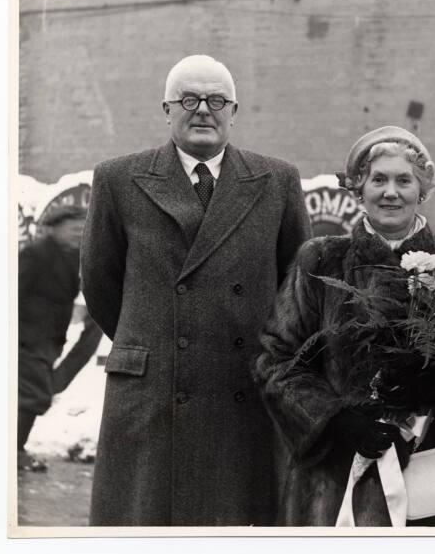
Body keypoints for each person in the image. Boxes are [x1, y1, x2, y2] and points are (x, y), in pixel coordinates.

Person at [81, 54, 311, 526]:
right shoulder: (118, 178)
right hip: (153, 392)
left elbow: (297, 287)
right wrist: (151, 337)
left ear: (234, 110)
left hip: (244, 386)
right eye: (189, 99)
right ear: (167, 109)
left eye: (216, 100)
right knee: (148, 526)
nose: (203, 109)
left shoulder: (278, 180)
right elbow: (100, 283)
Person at [254, 126, 435, 526]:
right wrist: (333, 420)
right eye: (378, 179)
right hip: (338, 475)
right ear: (358, 189)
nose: (391, 192)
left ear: (422, 190)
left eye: (404, 180)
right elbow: (277, 358)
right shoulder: (320, 260)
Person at [18, 205, 102, 472]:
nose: (78, 234)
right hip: (26, 336)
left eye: (82, 229)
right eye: (73, 228)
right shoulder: (36, 254)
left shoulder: (73, 257)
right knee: (33, 395)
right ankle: (14, 451)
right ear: (54, 228)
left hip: (49, 338)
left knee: (32, 395)